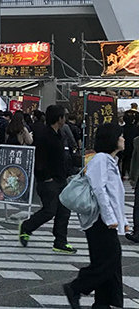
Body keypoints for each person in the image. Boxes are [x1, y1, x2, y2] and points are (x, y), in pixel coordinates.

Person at [64, 123, 128, 309]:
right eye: (120, 136)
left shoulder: (109, 160)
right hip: (99, 220)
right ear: (113, 139)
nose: (123, 140)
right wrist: (110, 219)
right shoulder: (100, 160)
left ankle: (103, 302)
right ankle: (76, 287)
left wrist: (123, 221)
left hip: (106, 220)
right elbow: (100, 190)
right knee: (108, 260)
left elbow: (115, 196)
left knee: (106, 260)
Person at [19, 105, 76, 253]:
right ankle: (26, 226)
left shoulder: (59, 134)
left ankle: (60, 241)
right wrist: (45, 177)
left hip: (61, 179)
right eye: (64, 117)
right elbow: (39, 160)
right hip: (49, 181)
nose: (65, 119)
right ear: (59, 119)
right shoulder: (44, 135)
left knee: (64, 211)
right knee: (50, 210)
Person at [122, 111, 139, 178]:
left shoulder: (122, 128)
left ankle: (123, 173)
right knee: (134, 160)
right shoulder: (136, 128)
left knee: (125, 160)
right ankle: (131, 174)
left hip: (125, 146)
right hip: (134, 145)